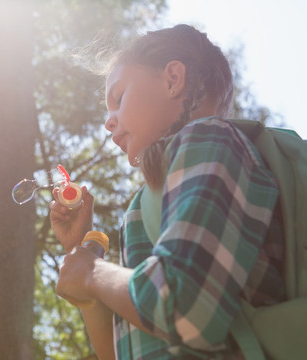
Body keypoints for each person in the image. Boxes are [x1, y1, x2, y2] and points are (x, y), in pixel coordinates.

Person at [49, 24, 285, 359]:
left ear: (173, 79)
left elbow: (185, 308)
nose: (108, 121)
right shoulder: (146, 203)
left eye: (118, 98)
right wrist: (80, 248)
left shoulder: (209, 138)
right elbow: (117, 353)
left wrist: (90, 272)